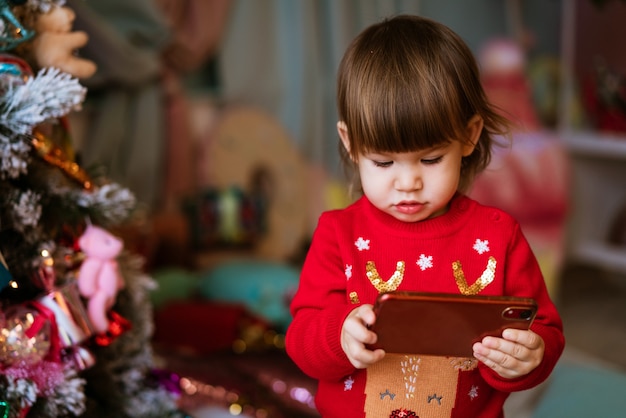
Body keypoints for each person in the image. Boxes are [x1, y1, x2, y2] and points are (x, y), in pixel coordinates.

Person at [285, 15, 565, 418]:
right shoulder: (338, 234)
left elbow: (545, 331)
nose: (408, 182)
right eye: (383, 162)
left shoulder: (498, 235)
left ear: (469, 136)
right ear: (350, 144)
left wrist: (528, 357)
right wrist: (338, 338)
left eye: (430, 159)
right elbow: (301, 339)